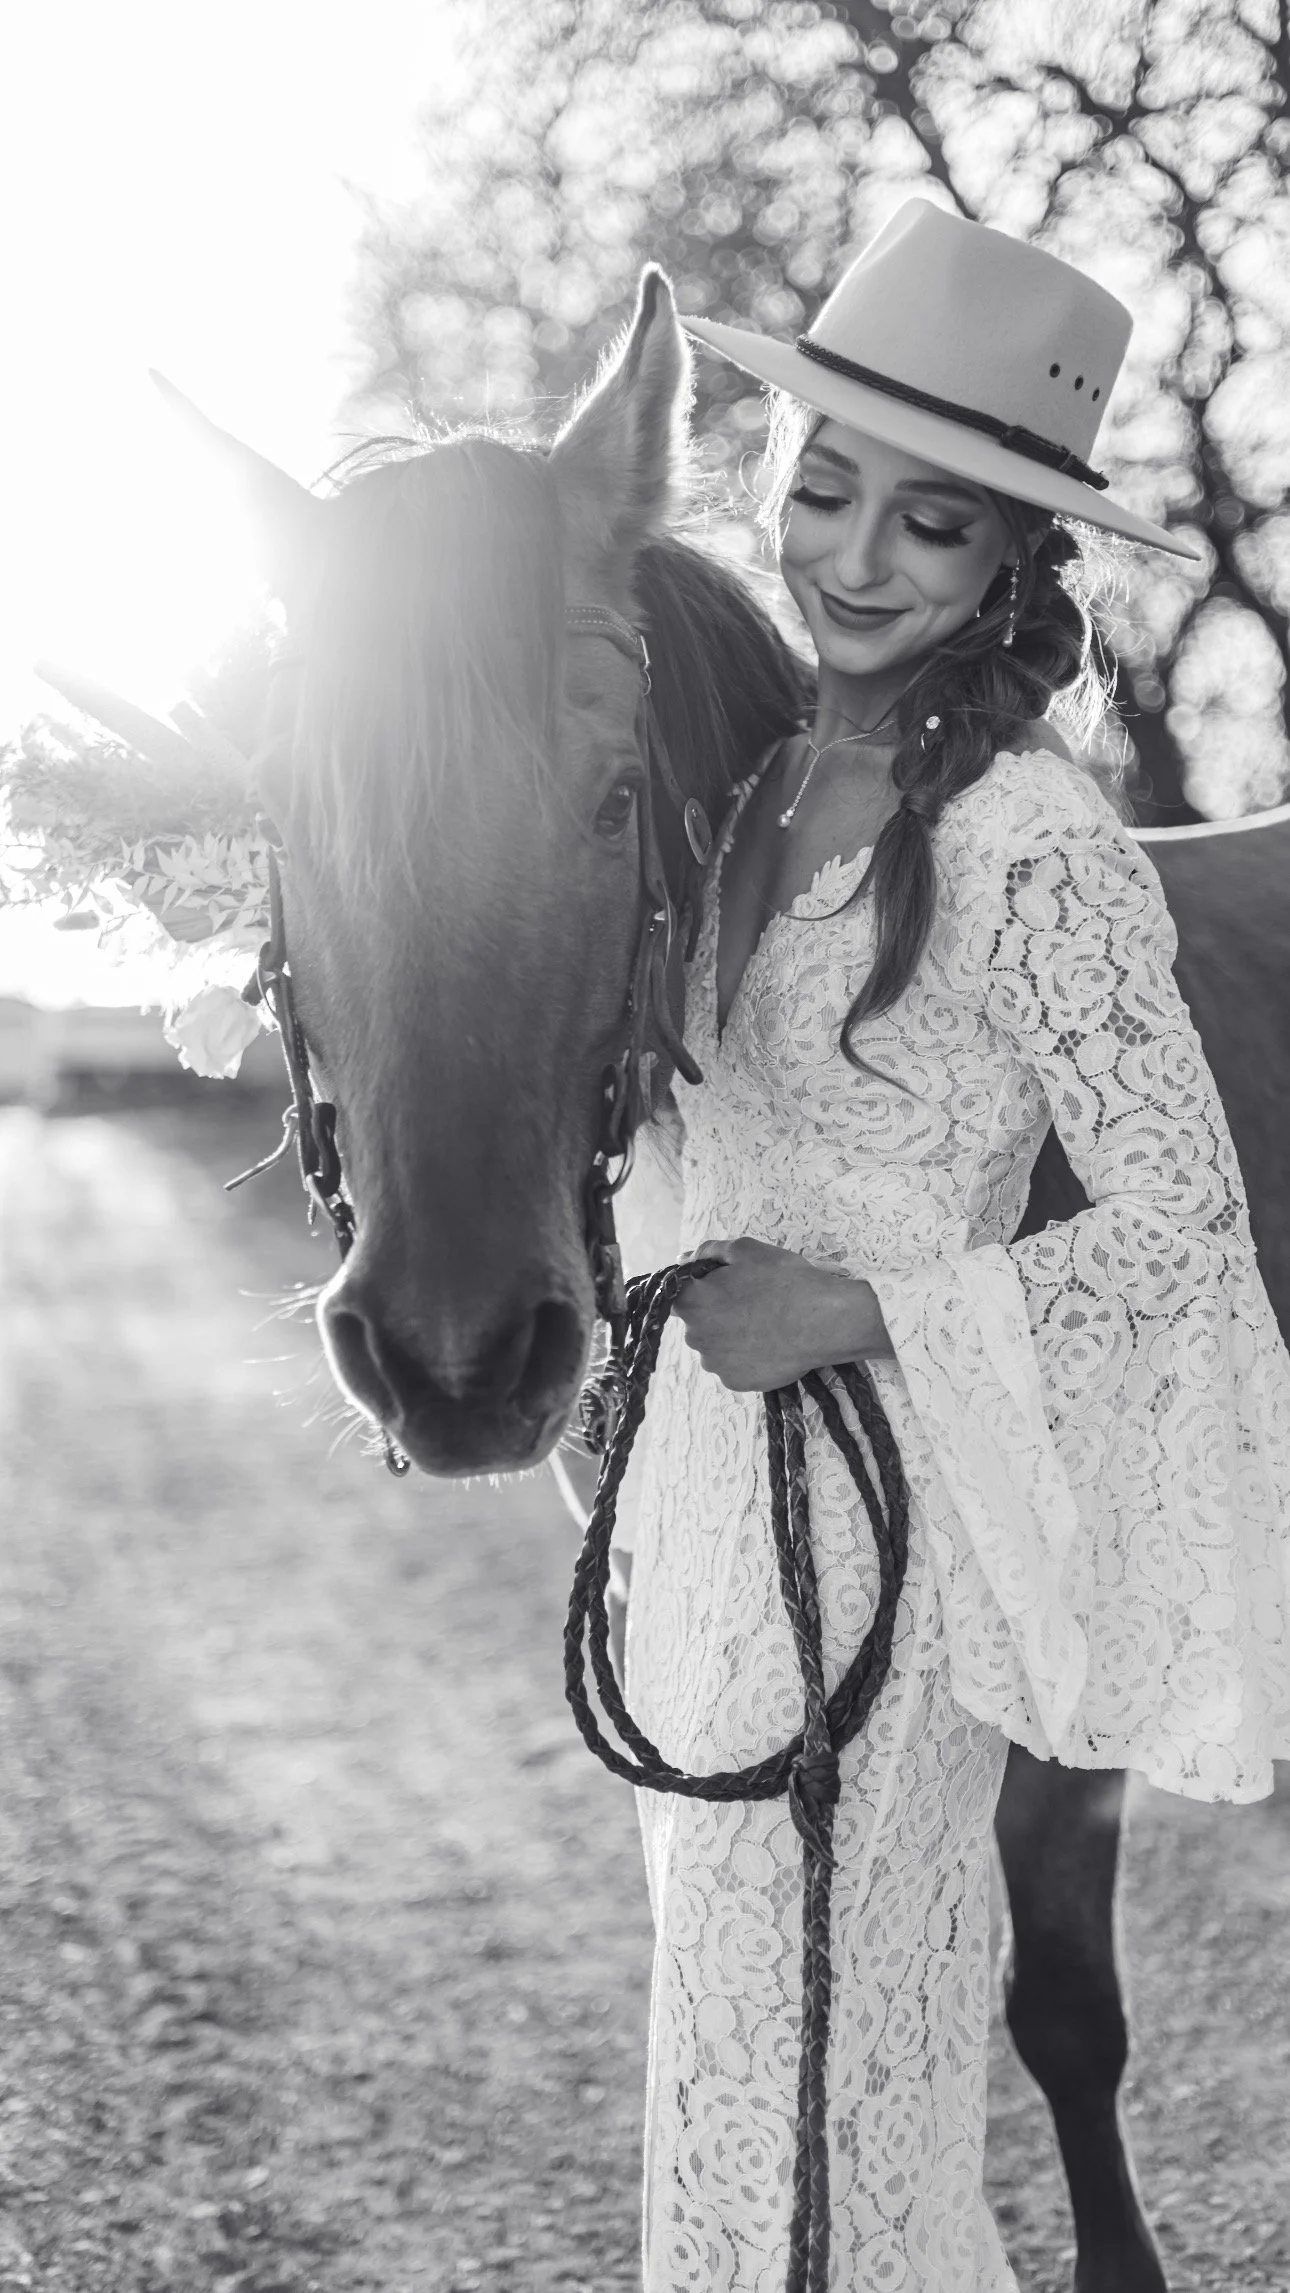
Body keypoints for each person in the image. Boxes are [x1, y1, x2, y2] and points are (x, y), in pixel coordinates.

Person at [609, 200, 1290, 2290]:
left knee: (855, 2059)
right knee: (726, 2027)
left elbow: (1185, 1238)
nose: (854, 556)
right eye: (825, 491)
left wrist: (868, 1306)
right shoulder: (740, 790)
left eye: (934, 525)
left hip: (904, 1512)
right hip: (714, 1513)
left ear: (1013, 569)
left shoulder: (1027, 841)